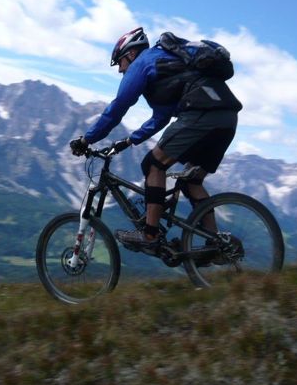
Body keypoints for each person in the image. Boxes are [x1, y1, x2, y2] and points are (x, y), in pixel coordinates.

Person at [70, 27, 242, 249]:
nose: (120, 70)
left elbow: (117, 108)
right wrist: (129, 140)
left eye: (120, 63)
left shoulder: (142, 63)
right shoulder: (166, 65)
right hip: (227, 119)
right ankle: (216, 243)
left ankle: (150, 235)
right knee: (191, 181)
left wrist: (86, 140)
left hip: (201, 114)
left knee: (153, 164)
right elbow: (160, 118)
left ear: (131, 53)